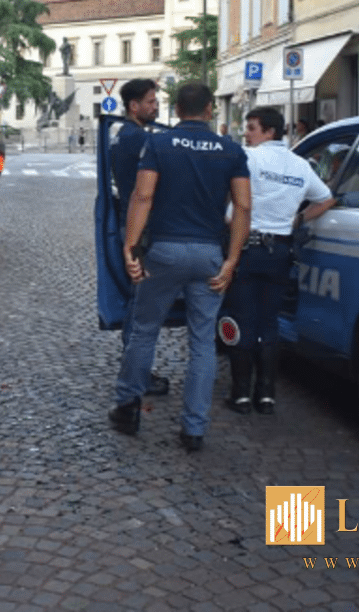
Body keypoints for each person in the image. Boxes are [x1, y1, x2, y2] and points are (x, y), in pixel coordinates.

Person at [109, 81, 251, 453]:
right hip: (208, 255)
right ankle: (193, 429)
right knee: (203, 341)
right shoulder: (231, 150)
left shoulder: (158, 143)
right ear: (209, 110)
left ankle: (128, 409)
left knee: (144, 329)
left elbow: (143, 195)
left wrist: (130, 247)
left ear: (178, 108)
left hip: (165, 251)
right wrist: (232, 259)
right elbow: (244, 207)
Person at [224, 106, 334, 416]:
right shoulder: (300, 165)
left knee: (242, 319)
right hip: (281, 252)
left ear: (269, 132)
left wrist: (227, 221)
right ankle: (267, 395)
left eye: (251, 127)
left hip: (248, 248)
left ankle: (241, 394)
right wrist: (297, 220)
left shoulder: (248, 158)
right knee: (269, 321)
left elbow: (233, 207)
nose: (246, 132)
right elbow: (327, 198)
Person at [111, 78, 169, 397]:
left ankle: (135, 369)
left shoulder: (125, 135)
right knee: (141, 302)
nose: (155, 106)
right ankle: (137, 375)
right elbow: (145, 190)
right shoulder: (137, 139)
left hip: (131, 224)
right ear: (134, 106)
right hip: (140, 228)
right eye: (150, 101)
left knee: (138, 299)